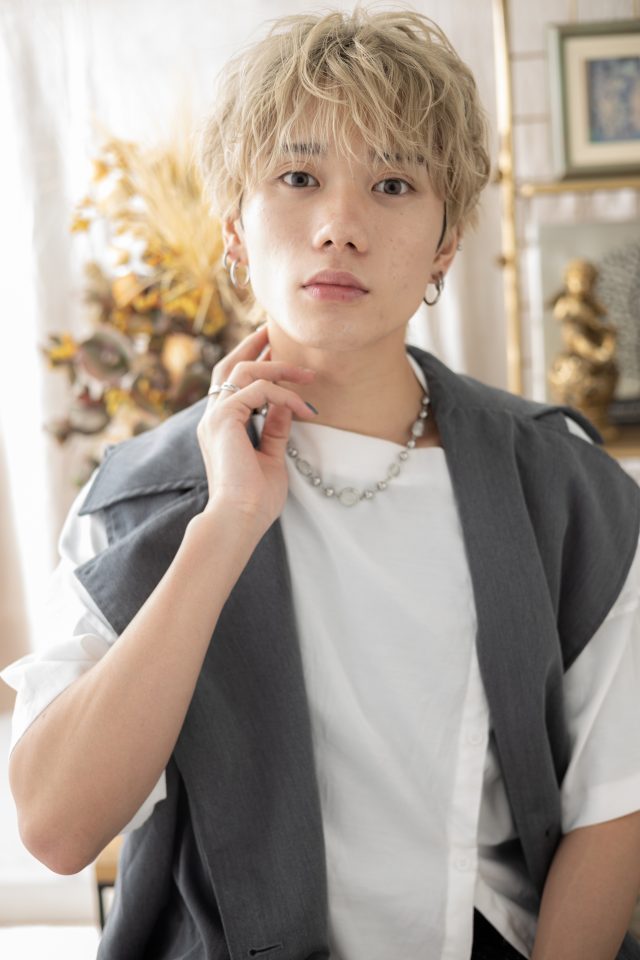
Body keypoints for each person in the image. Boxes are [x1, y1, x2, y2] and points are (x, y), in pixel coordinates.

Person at [2, 8, 640, 960]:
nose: (340, 227)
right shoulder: (136, 499)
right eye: (298, 178)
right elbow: (57, 829)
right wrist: (225, 524)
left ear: (446, 243)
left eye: (394, 184)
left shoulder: (565, 486)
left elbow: (614, 802)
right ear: (234, 225)